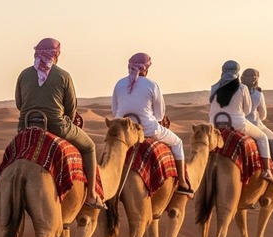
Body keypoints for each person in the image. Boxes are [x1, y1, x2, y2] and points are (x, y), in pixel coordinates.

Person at [14, 37, 102, 208]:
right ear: (56, 55)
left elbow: (19, 104)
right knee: (90, 147)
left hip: (25, 126)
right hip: (57, 126)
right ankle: (91, 195)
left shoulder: (24, 74)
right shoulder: (63, 75)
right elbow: (71, 108)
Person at [110, 52, 193, 194]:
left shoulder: (119, 83)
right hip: (147, 129)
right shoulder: (152, 85)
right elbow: (159, 115)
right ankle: (182, 182)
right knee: (177, 142)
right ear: (146, 69)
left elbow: (114, 110)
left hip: (122, 130)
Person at [209, 60, 273, 186]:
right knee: (263, 138)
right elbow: (247, 110)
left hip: (214, 123)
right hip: (237, 123)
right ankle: (267, 171)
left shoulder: (214, 87)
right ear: (238, 72)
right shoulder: (242, 88)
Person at [240, 67, 273, 182]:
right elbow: (263, 114)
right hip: (254, 124)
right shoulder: (258, 94)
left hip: (238, 123)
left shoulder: (237, 91)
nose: (254, 79)